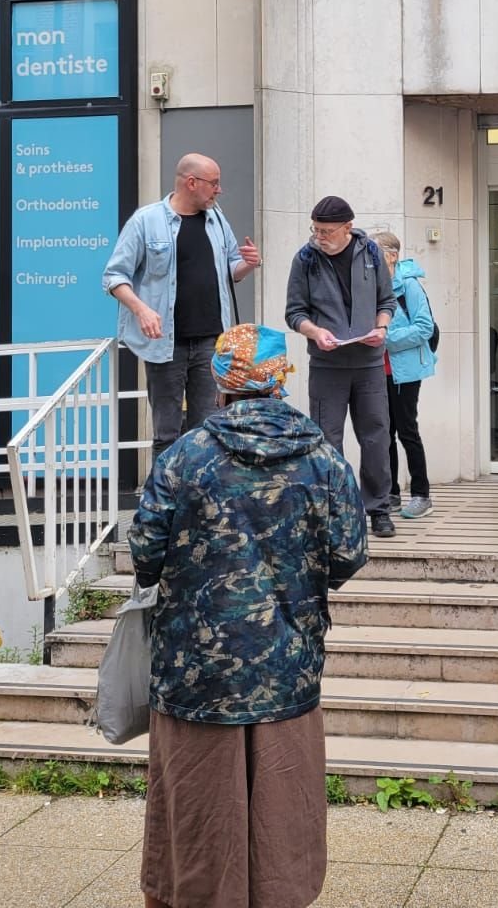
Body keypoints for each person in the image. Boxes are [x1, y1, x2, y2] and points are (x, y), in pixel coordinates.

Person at [128, 323, 368, 908]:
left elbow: (144, 553)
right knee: (284, 808)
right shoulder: (324, 460)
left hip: (195, 670)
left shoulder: (184, 456)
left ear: (218, 380)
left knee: (200, 807)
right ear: (282, 376)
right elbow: (348, 554)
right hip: (286, 665)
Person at [104, 153, 260, 457]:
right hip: (166, 345)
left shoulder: (216, 218)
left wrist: (248, 264)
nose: (219, 190)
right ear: (192, 183)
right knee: (167, 431)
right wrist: (142, 309)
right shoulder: (146, 221)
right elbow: (113, 276)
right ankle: (166, 498)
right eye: (214, 184)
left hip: (211, 342)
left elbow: (230, 269)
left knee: (209, 427)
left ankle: (201, 498)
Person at [285, 196, 399, 538]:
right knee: (327, 440)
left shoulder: (372, 253)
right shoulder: (305, 259)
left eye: (327, 231)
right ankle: (335, 513)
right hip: (326, 365)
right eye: (315, 229)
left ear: (348, 228)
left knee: (376, 437)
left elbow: (387, 301)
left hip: (368, 364)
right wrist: (315, 332)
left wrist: (381, 328)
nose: (320, 236)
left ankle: (378, 509)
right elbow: (294, 312)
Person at [375, 231, 435, 520]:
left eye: (374, 253)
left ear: (392, 255)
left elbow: (425, 327)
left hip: (406, 372)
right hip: (377, 371)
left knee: (407, 431)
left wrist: (385, 337)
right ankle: (391, 494)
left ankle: (422, 495)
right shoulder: (373, 285)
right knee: (383, 433)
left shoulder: (409, 286)